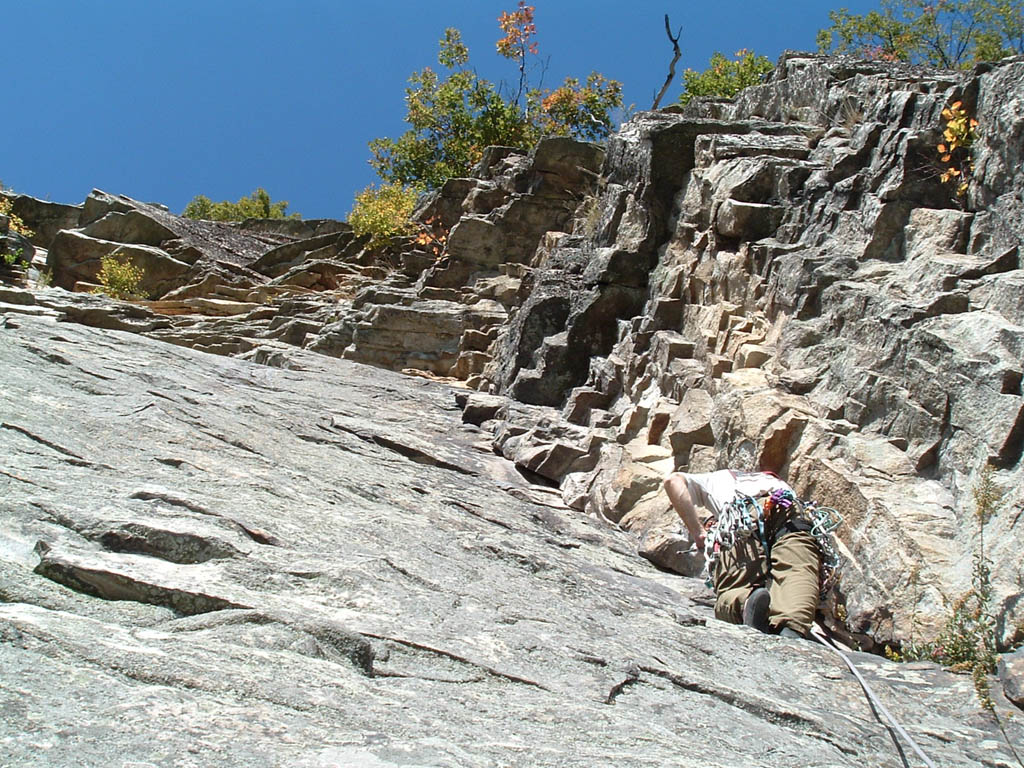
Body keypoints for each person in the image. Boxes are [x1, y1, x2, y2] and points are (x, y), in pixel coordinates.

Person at [663, 469, 821, 638]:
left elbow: (673, 481)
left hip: (742, 514)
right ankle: (791, 626)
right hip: (792, 511)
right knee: (797, 567)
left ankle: (745, 605)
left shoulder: (718, 478)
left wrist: (698, 533)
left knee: (735, 583)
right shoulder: (775, 482)